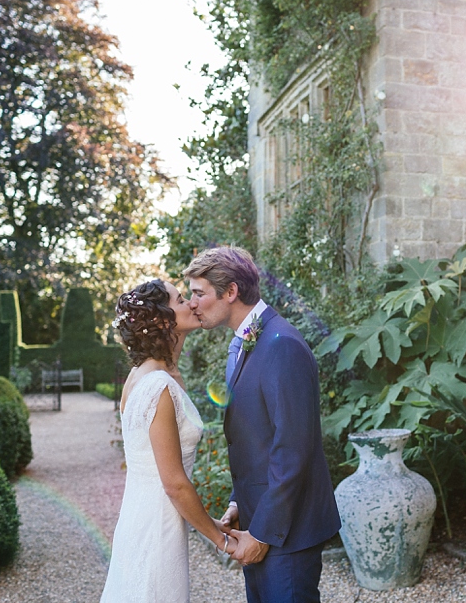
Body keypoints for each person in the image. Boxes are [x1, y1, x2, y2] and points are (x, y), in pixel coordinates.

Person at [184, 246, 341, 603]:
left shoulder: (281, 344)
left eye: (198, 293)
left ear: (231, 292)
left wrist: (264, 534)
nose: (193, 303)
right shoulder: (242, 343)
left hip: (286, 531)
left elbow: (293, 448)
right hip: (257, 519)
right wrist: (240, 501)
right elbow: (258, 438)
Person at [101, 279, 238, 603]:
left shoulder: (140, 375)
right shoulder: (158, 386)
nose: (192, 303)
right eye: (180, 300)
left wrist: (211, 521)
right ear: (163, 319)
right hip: (156, 529)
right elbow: (174, 483)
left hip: (140, 519)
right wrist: (224, 542)